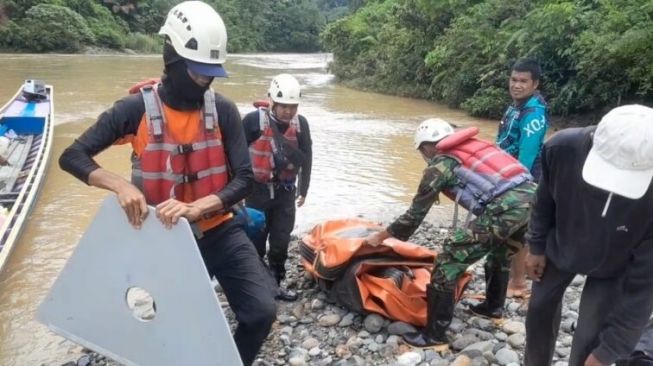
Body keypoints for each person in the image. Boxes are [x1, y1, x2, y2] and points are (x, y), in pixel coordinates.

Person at [58, 2, 276, 365]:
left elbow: (245, 178)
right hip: (163, 239)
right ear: (172, 58)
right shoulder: (134, 110)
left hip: (219, 230)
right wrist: (119, 186)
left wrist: (199, 207)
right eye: (198, 72)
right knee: (170, 323)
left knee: (260, 312)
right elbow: (73, 156)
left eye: (211, 73)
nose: (206, 80)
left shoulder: (222, 110)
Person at [363, 118, 536, 347]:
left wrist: (380, 236)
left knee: (448, 259)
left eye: (422, 150)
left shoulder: (440, 165)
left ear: (426, 146)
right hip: (535, 201)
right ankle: (493, 308)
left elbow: (414, 216)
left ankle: (434, 335)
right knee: (500, 253)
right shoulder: (474, 146)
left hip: (507, 209)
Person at [524, 104, 653, 366]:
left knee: (590, 337)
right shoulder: (561, 149)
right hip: (562, 244)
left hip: (616, 263)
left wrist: (609, 351)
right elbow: (544, 200)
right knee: (538, 310)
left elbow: (643, 288)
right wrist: (535, 245)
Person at [243, 74, 313, 302]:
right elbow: (236, 155)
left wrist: (304, 188)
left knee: (281, 241)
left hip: (285, 192)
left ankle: (276, 283)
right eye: (284, 106)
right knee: (255, 240)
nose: (288, 111)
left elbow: (306, 157)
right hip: (257, 191)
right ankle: (255, 285)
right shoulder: (253, 121)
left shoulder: (301, 125)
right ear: (272, 101)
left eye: (293, 107)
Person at [496, 58, 549, 299]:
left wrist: (514, 184)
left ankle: (518, 283)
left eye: (523, 81)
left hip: (523, 178)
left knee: (519, 231)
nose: (517, 85)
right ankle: (511, 277)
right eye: (514, 80)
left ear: (534, 84)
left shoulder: (533, 114)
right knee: (512, 229)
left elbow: (527, 154)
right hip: (506, 172)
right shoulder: (515, 107)